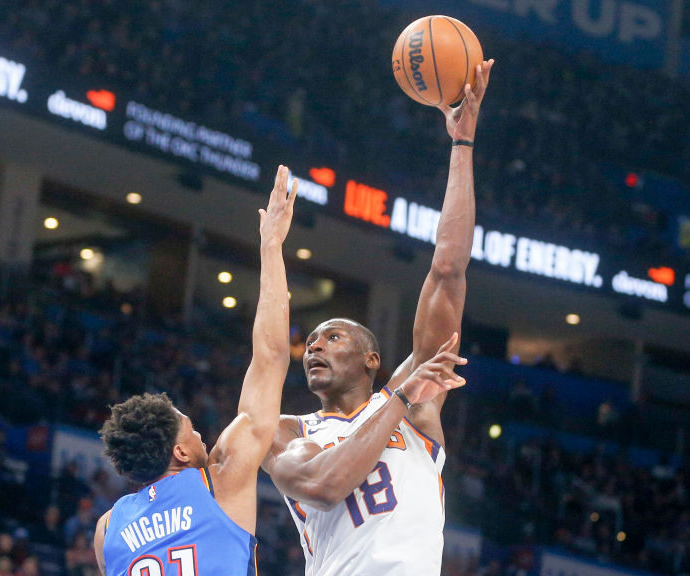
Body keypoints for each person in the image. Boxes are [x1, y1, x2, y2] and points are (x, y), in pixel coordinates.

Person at [261, 60, 494, 575]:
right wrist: (401, 396)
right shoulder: (287, 431)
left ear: (371, 358)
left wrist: (462, 146)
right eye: (313, 341)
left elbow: (448, 268)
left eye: (332, 336)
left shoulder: (416, 411)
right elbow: (323, 488)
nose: (315, 346)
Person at [92, 165, 299, 575]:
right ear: (180, 452)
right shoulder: (220, 481)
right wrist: (271, 246)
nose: (201, 433)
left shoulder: (107, 528)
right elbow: (272, 356)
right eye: (191, 429)